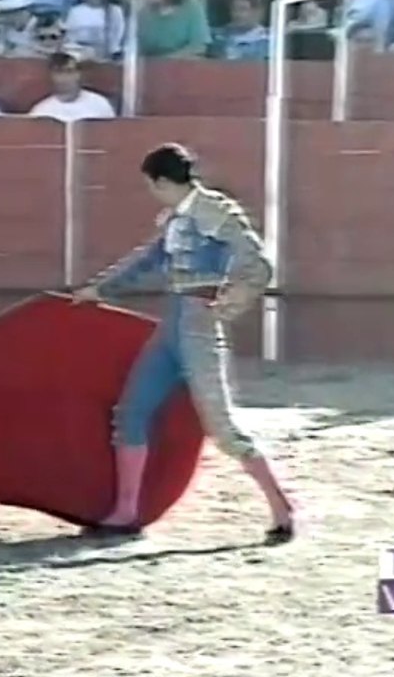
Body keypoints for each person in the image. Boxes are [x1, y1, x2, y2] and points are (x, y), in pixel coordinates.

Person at [72, 143, 294, 544]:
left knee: (223, 429)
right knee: (132, 411)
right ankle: (125, 512)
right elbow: (148, 259)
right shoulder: (178, 217)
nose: (152, 194)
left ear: (161, 181)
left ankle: (281, 508)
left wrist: (229, 301)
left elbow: (257, 262)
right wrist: (100, 288)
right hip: (174, 321)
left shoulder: (215, 211)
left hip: (198, 325)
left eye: (151, 186)